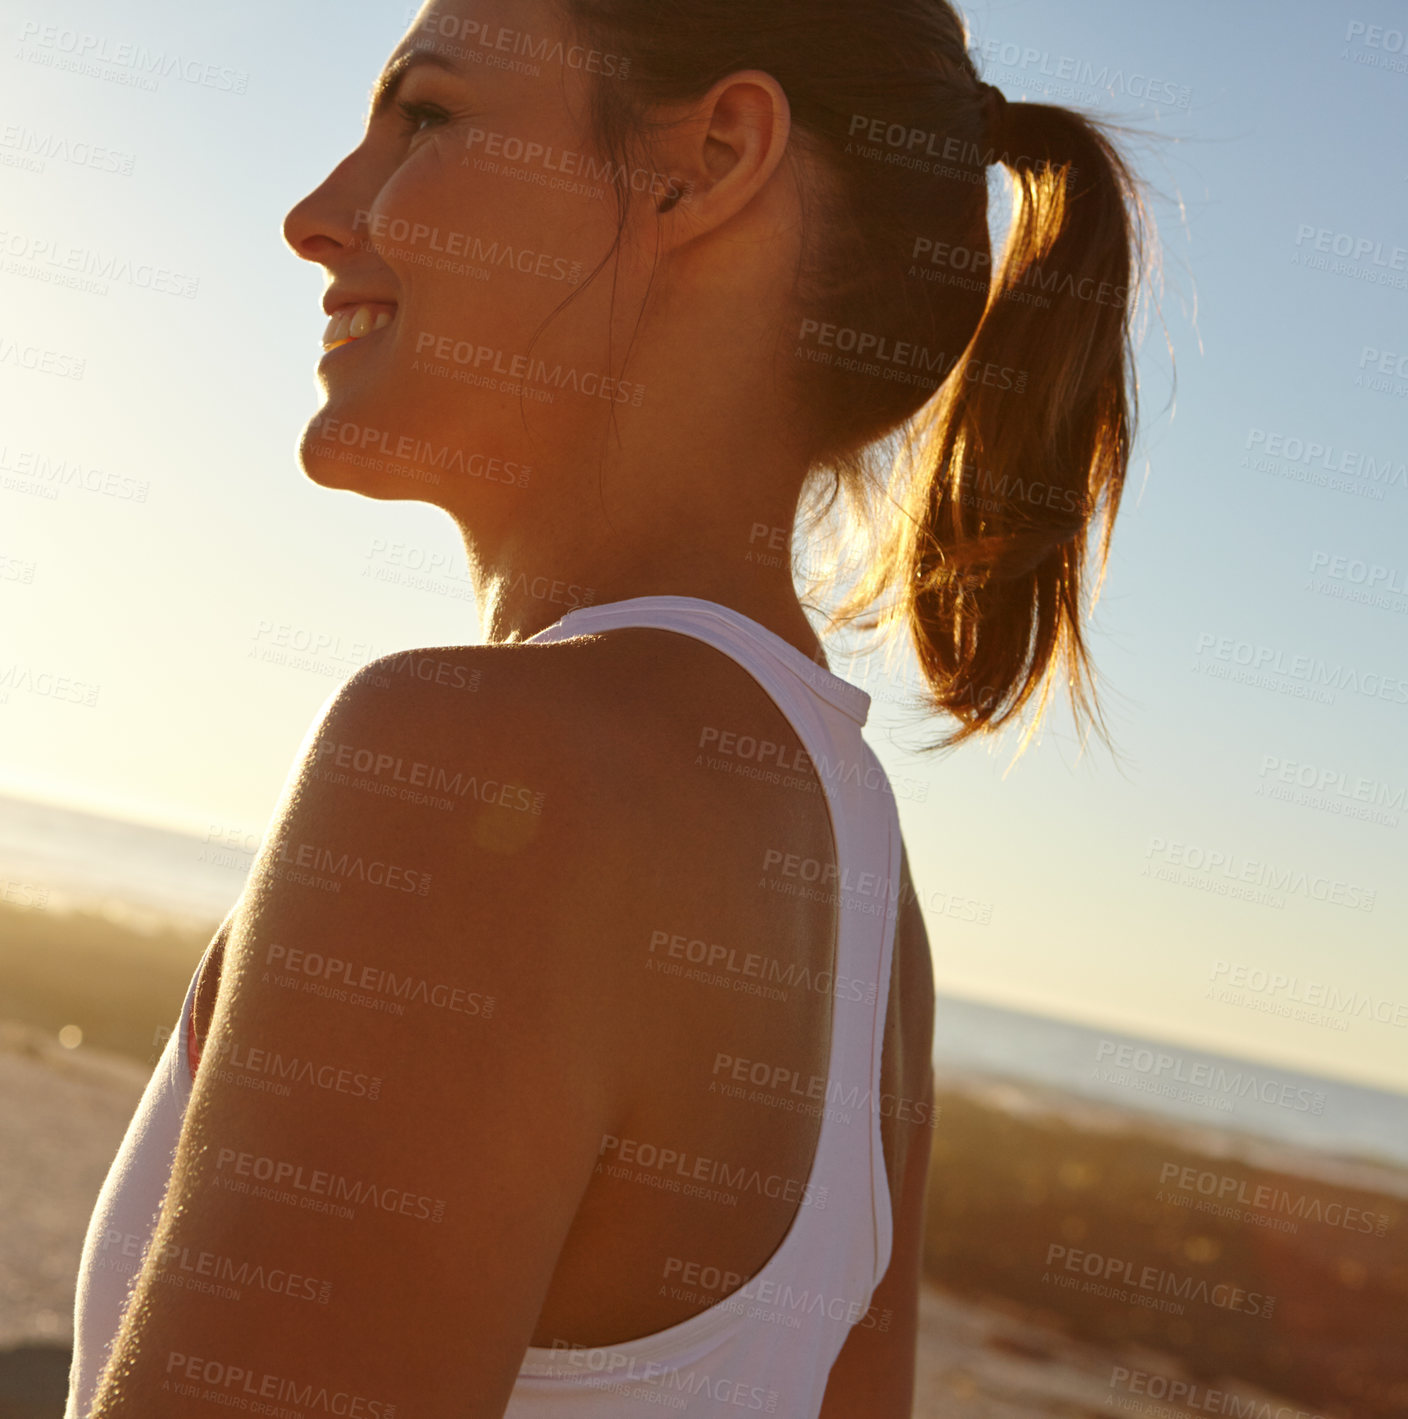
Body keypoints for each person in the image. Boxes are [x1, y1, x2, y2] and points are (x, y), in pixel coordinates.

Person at [66, 1, 1152, 1415]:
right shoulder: (867, 892)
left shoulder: (481, 768)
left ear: (707, 160)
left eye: (430, 115)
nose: (317, 214)